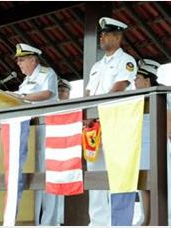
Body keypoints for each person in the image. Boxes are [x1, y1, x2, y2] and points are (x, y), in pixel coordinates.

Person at [85, 17, 137, 226]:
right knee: (95, 172)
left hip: (115, 122)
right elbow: (88, 92)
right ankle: (98, 221)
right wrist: (86, 113)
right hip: (94, 125)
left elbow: (119, 87)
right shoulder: (97, 66)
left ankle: (119, 222)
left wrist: (96, 108)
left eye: (106, 34)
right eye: (101, 34)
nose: (102, 37)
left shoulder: (127, 61)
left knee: (117, 172)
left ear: (118, 37)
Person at [13, 42, 61, 226]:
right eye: (18, 60)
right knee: (36, 171)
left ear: (33, 59)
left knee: (48, 172)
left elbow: (48, 93)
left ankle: (50, 221)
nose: (19, 63)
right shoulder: (25, 81)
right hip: (30, 130)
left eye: (22, 59)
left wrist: (21, 97)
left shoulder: (46, 73)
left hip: (47, 126)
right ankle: (34, 219)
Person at [133, 58, 161, 225]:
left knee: (158, 183)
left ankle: (159, 217)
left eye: (137, 78)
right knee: (143, 183)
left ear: (147, 79)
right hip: (140, 147)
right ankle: (147, 218)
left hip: (158, 146)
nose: (134, 82)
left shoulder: (163, 93)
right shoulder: (136, 98)